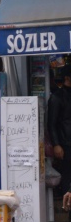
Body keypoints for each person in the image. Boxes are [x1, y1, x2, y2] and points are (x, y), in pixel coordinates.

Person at [47, 65, 71, 198]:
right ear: (67, 78)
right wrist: (56, 144)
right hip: (65, 143)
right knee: (68, 175)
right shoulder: (57, 97)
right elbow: (52, 123)